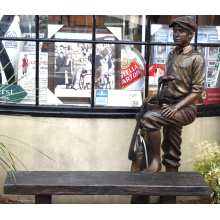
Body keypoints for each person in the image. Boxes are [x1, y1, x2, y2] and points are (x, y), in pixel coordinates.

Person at [140, 16, 205, 174]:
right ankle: (168, 191)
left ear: (190, 35)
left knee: (150, 118)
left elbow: (197, 91)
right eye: (175, 31)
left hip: (185, 108)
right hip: (171, 106)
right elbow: (170, 85)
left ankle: (156, 163)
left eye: (181, 31)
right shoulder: (172, 55)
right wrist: (155, 97)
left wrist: (176, 107)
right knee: (170, 148)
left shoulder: (196, 58)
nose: (176, 34)